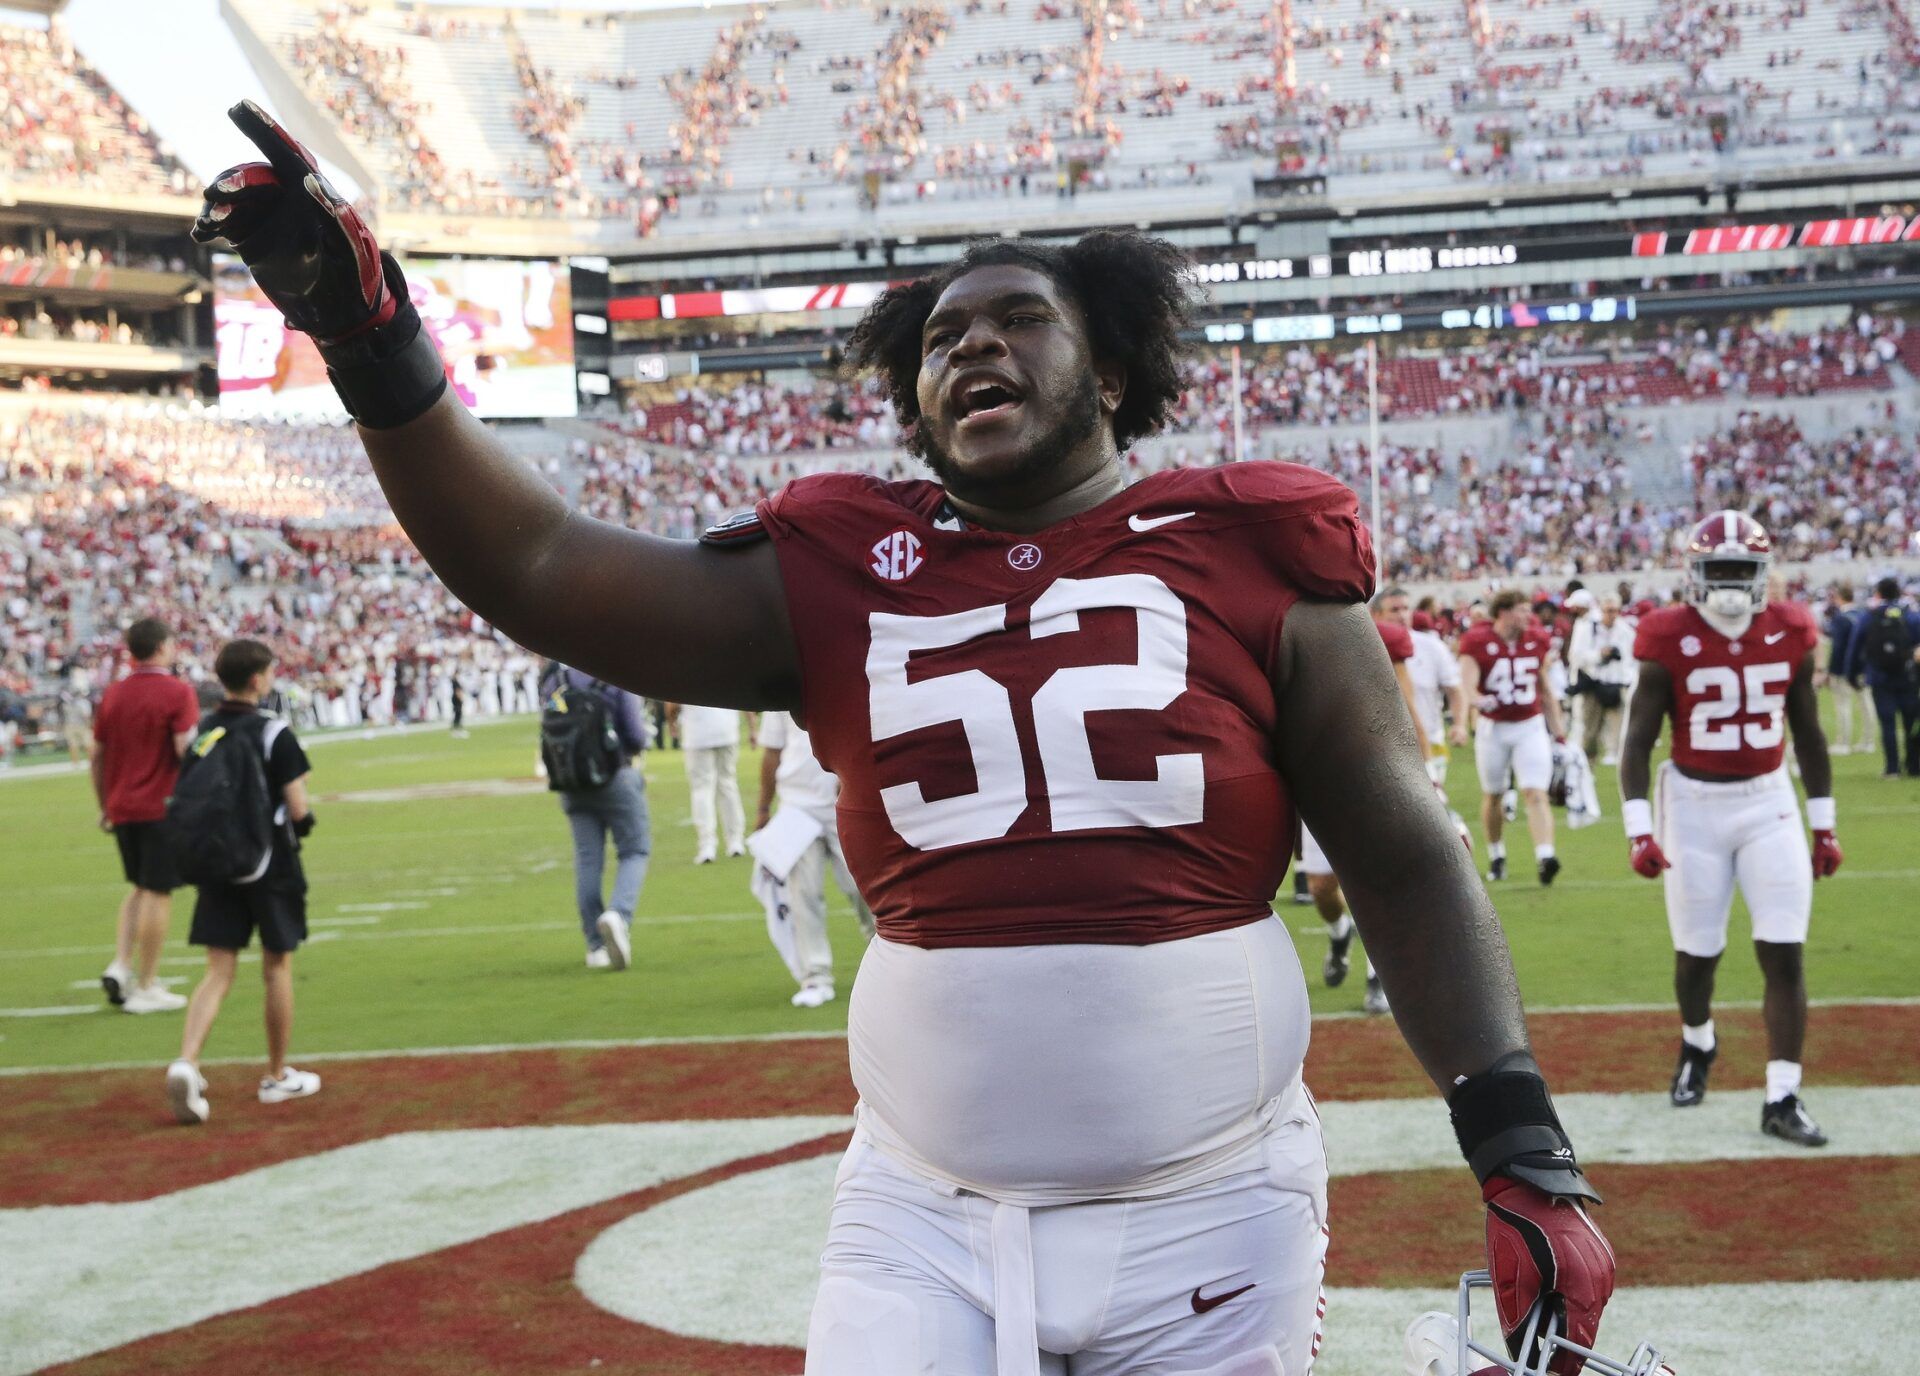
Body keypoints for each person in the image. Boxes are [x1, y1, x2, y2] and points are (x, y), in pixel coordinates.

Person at [198, 111, 1615, 1376]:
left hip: (1212, 1211)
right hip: (922, 1211)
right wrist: (378, 347)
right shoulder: (841, 563)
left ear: (1113, 371)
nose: (972, 343)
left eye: (1015, 320)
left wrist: (1519, 1147)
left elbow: (1403, 853)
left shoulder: (1249, 547)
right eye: (940, 337)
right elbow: (542, 566)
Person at [1618, 513, 1839, 1147]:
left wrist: (1824, 825)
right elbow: (1637, 742)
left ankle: (1782, 1095)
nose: (1733, 584)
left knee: (1784, 948)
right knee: (1698, 956)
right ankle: (1698, 1042)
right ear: (1695, 573)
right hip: (1691, 806)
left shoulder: (1792, 629)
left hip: (1769, 800)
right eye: (1721, 570)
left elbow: (1809, 733)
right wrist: (1640, 830)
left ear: (1764, 573)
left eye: (1744, 570)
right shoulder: (1665, 635)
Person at [163, 639, 321, 1125]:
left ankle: (187, 1060)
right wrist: (305, 822)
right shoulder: (275, 732)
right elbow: (298, 809)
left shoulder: (205, 732)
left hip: (218, 862)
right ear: (257, 679)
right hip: (269, 863)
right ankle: (276, 1075)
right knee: (276, 967)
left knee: (218, 970)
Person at [1300, 601, 1429, 1015]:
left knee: (1373, 882)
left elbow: (1407, 707)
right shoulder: (1288, 630)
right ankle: (1340, 934)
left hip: (1375, 771)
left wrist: (1424, 772)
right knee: (1321, 887)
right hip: (1316, 774)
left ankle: (1379, 978)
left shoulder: (1384, 638)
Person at [91, 617, 198, 1013]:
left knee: (138, 886)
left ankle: (122, 964)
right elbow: (185, 747)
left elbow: (97, 755)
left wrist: (104, 803)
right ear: (162, 647)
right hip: (160, 803)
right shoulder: (177, 691)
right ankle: (147, 984)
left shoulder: (114, 694)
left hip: (121, 804)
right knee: (157, 891)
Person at [751, 709, 874, 1006]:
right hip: (797, 804)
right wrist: (764, 807)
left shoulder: (842, 678)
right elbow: (772, 751)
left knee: (866, 890)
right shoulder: (779, 693)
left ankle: (889, 961)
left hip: (847, 799)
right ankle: (815, 977)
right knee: (802, 893)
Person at [540, 661, 652, 969]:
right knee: (635, 850)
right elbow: (635, 735)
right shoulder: (613, 674)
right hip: (616, 774)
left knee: (588, 859)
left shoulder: (554, 678)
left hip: (571, 781)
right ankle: (619, 914)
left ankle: (595, 946)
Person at [1459, 589, 1568, 885]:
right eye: (1521, 610)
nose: (1527, 616)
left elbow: (1544, 688)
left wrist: (1559, 733)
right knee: (1494, 794)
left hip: (1529, 724)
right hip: (1493, 728)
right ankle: (1497, 854)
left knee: (1535, 791)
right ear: (1503, 612)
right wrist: (1478, 700)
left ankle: (1545, 856)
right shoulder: (1477, 641)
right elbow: (1466, 684)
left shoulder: (1535, 640)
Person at [1383, 589, 1466, 785]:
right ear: (1377, 614)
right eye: (1394, 609)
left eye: (1405, 608)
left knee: (1432, 801)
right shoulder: (1365, 649)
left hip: (1431, 736)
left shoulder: (1432, 646)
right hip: (1386, 743)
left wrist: (1460, 724)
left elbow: (1455, 689)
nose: (1402, 614)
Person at [1843, 575, 1920, 778]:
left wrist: (1851, 673)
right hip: (1907, 676)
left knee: (1888, 724)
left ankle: (1892, 768)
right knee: (1911, 722)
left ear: (1878, 593)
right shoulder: (1910, 616)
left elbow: (1855, 645)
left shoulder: (1870, 616)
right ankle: (1913, 765)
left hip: (1879, 677)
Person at [671, 702, 746, 863]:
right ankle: (735, 841)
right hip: (726, 729)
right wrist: (752, 726)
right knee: (728, 785)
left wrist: (672, 722)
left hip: (698, 731)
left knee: (701, 789)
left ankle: (707, 845)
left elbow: (673, 701)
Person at [1567, 593, 1637, 766]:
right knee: (1590, 730)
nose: (1611, 614)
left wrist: (1627, 680)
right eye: (1607, 610)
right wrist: (1600, 655)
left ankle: (1616, 757)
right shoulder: (1588, 627)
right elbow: (1576, 657)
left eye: (1614, 610)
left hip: (1616, 683)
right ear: (1601, 610)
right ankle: (1588, 762)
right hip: (1593, 682)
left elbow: (1632, 659)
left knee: (1619, 726)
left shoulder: (1626, 631)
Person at [1819, 582, 1866, 755]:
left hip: (1844, 668)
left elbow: (1838, 648)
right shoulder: (1862, 614)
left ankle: (1844, 743)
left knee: (1843, 705)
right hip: (1862, 666)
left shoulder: (1840, 618)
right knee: (1866, 704)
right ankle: (1868, 741)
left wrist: (1831, 671)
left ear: (1840, 598)